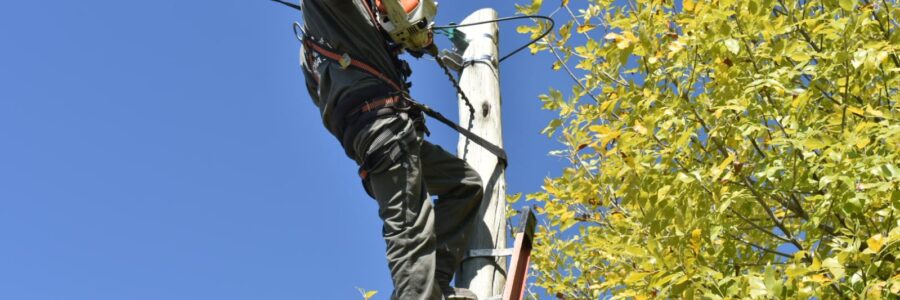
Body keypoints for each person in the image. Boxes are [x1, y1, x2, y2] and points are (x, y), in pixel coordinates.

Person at [297, 0, 483, 299]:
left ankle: (434, 288)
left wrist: (405, 40)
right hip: (383, 129)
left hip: (378, 134)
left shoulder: (325, 43)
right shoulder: (332, 11)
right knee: (410, 232)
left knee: (464, 185)